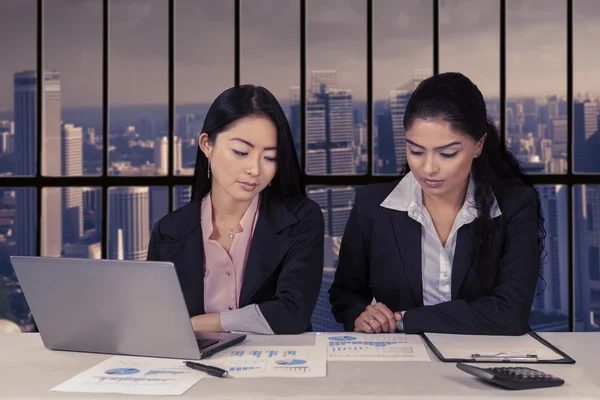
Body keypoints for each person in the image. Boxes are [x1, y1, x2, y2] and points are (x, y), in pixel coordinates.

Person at [329, 72, 546, 336]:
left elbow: (510, 314)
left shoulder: (514, 205)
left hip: (482, 363)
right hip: (400, 363)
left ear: (478, 145)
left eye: (447, 153)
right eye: (416, 151)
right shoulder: (373, 206)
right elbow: (345, 294)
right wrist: (363, 317)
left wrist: (404, 320)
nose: (428, 168)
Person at [147, 84, 324, 335]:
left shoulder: (301, 219)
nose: (254, 169)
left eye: (270, 157)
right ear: (207, 145)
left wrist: (196, 325)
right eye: (241, 152)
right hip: (192, 367)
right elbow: (156, 321)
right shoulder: (169, 232)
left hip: (278, 365)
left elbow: (291, 313)